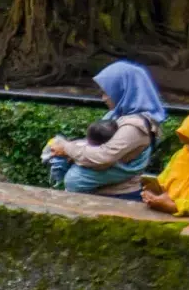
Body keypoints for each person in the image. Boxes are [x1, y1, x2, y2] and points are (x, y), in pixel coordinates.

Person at [48, 60, 166, 199]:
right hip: (101, 191)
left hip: (118, 196)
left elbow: (103, 156)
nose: (103, 98)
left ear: (122, 90)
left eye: (106, 93)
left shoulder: (134, 126)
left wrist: (67, 148)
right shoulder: (119, 114)